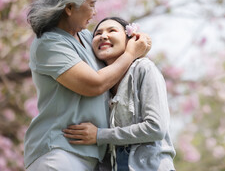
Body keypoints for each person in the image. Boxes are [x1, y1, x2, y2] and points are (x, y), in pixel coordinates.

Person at [24, 0, 151, 171]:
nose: (95, 12)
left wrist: (134, 40)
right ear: (69, 7)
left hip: (89, 158)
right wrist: (130, 54)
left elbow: (113, 65)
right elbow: (95, 84)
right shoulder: (49, 44)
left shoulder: (85, 37)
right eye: (91, 5)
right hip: (59, 153)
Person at [63, 17, 176, 171]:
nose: (103, 36)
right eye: (98, 33)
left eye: (112, 31)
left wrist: (99, 135)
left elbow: (155, 128)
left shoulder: (144, 69)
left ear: (130, 39)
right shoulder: (100, 82)